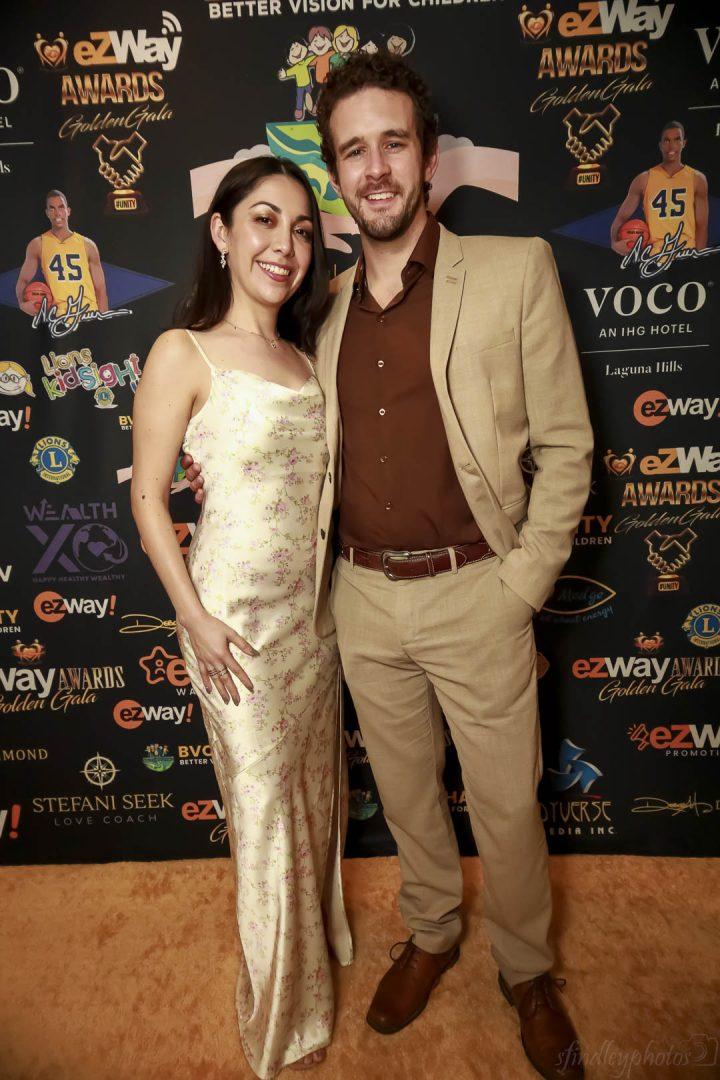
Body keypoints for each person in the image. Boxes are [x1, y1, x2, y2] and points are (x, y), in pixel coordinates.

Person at [184, 53, 593, 1080]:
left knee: (507, 806)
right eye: (354, 151)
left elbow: (568, 449)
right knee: (407, 796)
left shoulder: (515, 270)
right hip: (360, 600)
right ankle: (433, 932)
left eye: (393, 144)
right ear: (335, 174)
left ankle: (527, 970)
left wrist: (521, 587)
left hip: (479, 591)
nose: (376, 169)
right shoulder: (315, 311)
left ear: (427, 157)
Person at [131, 156, 352, 1079]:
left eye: (301, 229)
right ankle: (282, 1017)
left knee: (314, 796)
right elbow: (148, 498)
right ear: (221, 233)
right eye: (263, 220)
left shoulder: (309, 354)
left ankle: (320, 942)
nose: (284, 246)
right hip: (232, 625)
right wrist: (194, 618)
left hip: (315, 623)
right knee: (264, 818)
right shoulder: (183, 352)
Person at [610, 121, 709, 255]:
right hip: (654, 257)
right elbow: (621, 217)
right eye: (667, 140)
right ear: (660, 145)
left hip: (686, 254)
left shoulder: (697, 179)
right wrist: (614, 243)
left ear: (684, 143)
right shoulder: (643, 179)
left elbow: (702, 226)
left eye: (677, 139)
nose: (671, 145)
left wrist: (698, 260)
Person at [15, 189, 108, 316]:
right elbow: (23, 280)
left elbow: (100, 289)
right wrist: (22, 304)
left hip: (88, 313)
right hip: (60, 317)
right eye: (52, 208)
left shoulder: (88, 245)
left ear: (68, 211)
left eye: (61, 207)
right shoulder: (38, 244)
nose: (57, 213)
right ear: (47, 213)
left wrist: (103, 321)